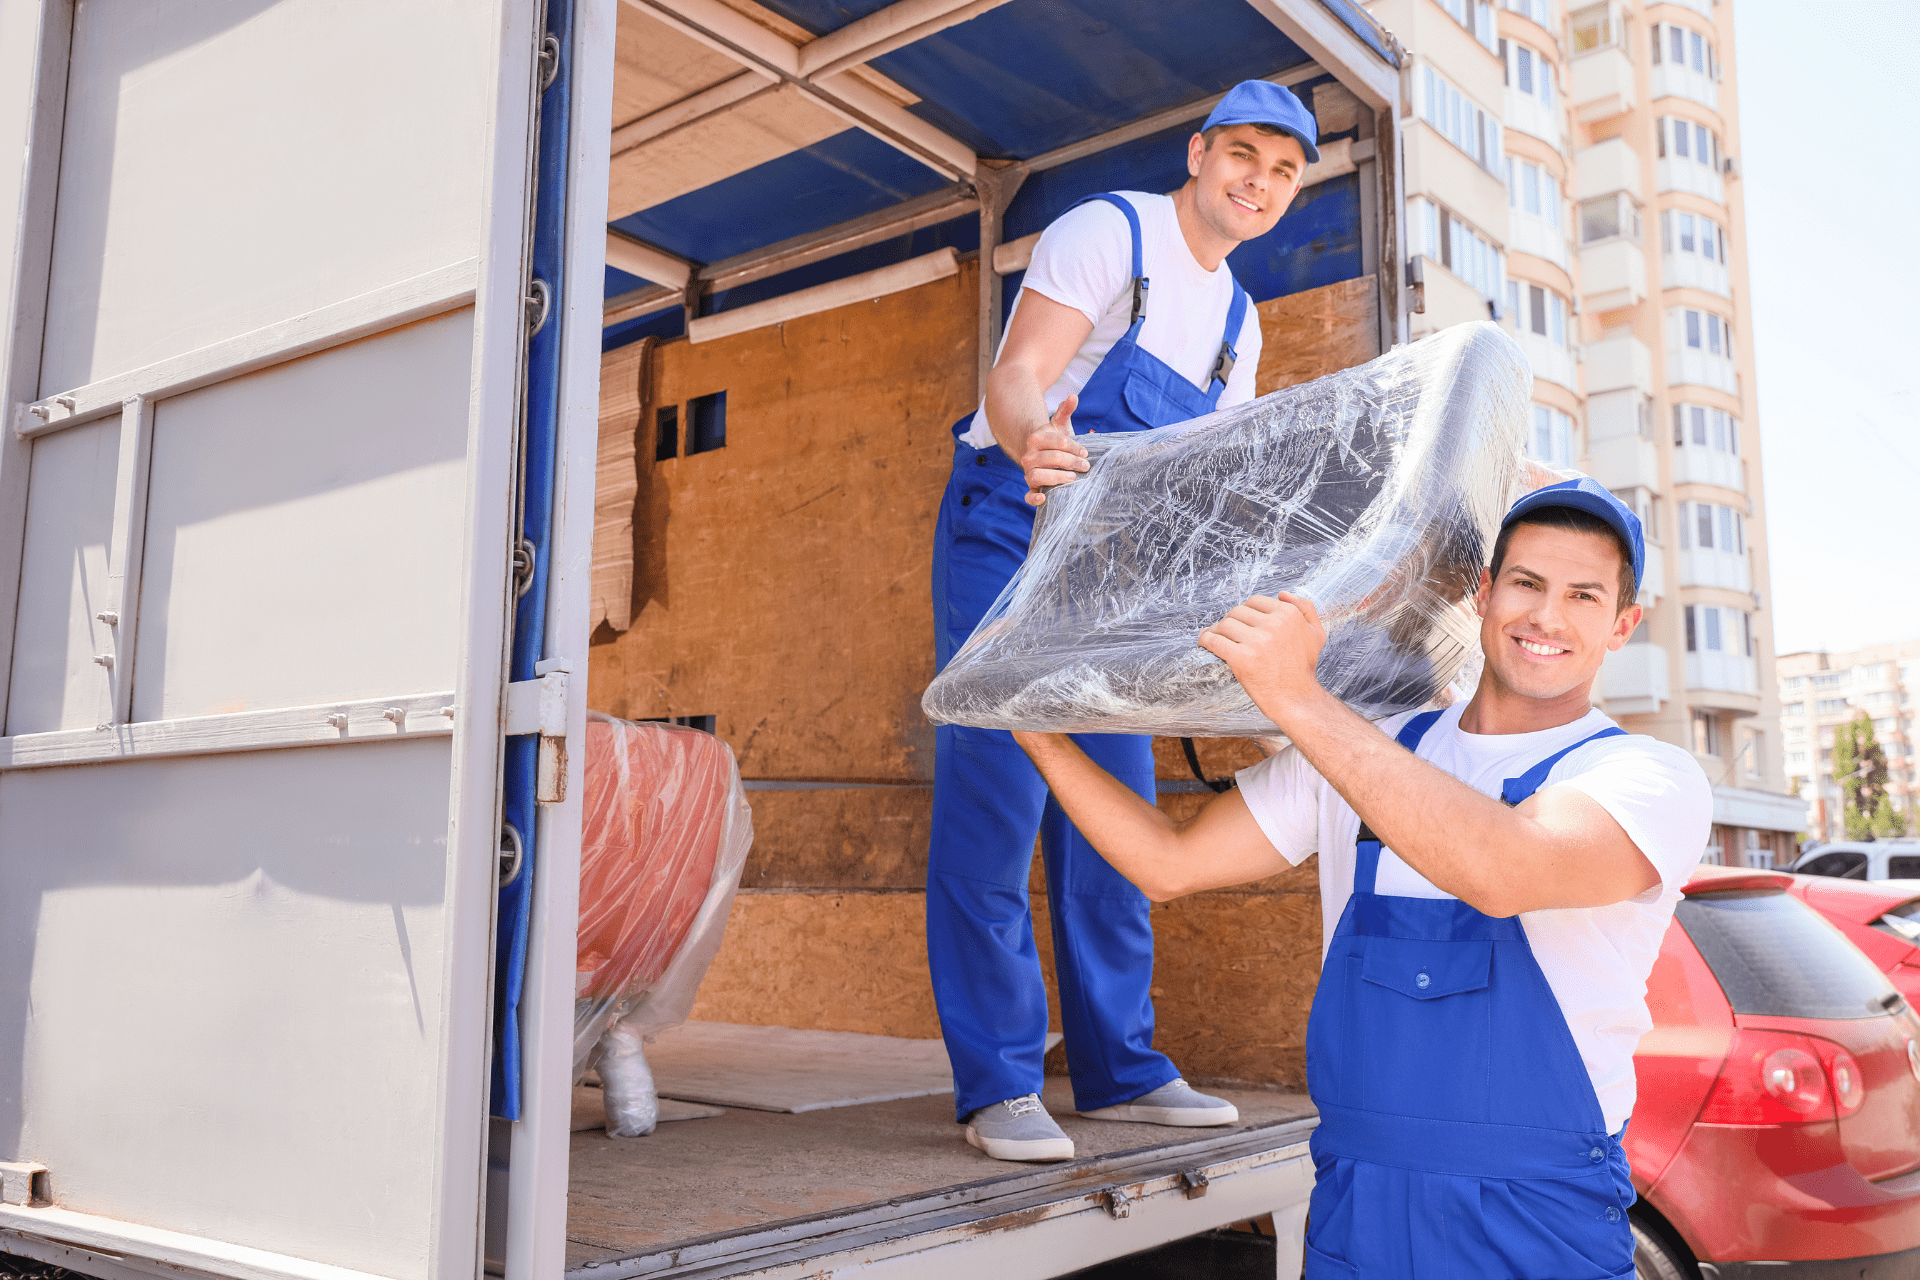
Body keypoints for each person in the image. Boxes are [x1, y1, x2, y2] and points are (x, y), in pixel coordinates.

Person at [1013, 479, 1711, 1276]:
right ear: (1482, 595)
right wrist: (1033, 732)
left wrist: (1297, 698)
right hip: (1354, 1205)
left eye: (1583, 596)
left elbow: (1503, 869)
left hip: (1533, 1220)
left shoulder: (1643, 775)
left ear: (1622, 625)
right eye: (1526, 583)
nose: (1547, 617)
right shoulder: (1367, 745)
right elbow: (1167, 864)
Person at [928, 80, 1321, 1163]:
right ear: (1198, 151)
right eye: (1244, 153)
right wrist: (1029, 442)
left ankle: (1120, 1065)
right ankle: (1000, 1080)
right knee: (999, 802)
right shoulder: (1111, 231)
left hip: (1120, 579)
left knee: (1116, 808)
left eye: (1285, 170)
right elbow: (1020, 375)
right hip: (1008, 533)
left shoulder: (1241, 321)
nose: (1260, 181)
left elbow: (1207, 482)